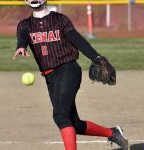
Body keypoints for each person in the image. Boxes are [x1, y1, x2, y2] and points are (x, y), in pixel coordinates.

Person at [13, 0, 129, 150]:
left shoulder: (60, 19)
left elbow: (78, 40)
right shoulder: (25, 24)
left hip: (68, 69)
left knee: (60, 116)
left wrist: (96, 57)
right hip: (50, 77)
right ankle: (112, 133)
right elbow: (22, 36)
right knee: (74, 123)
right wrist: (21, 46)